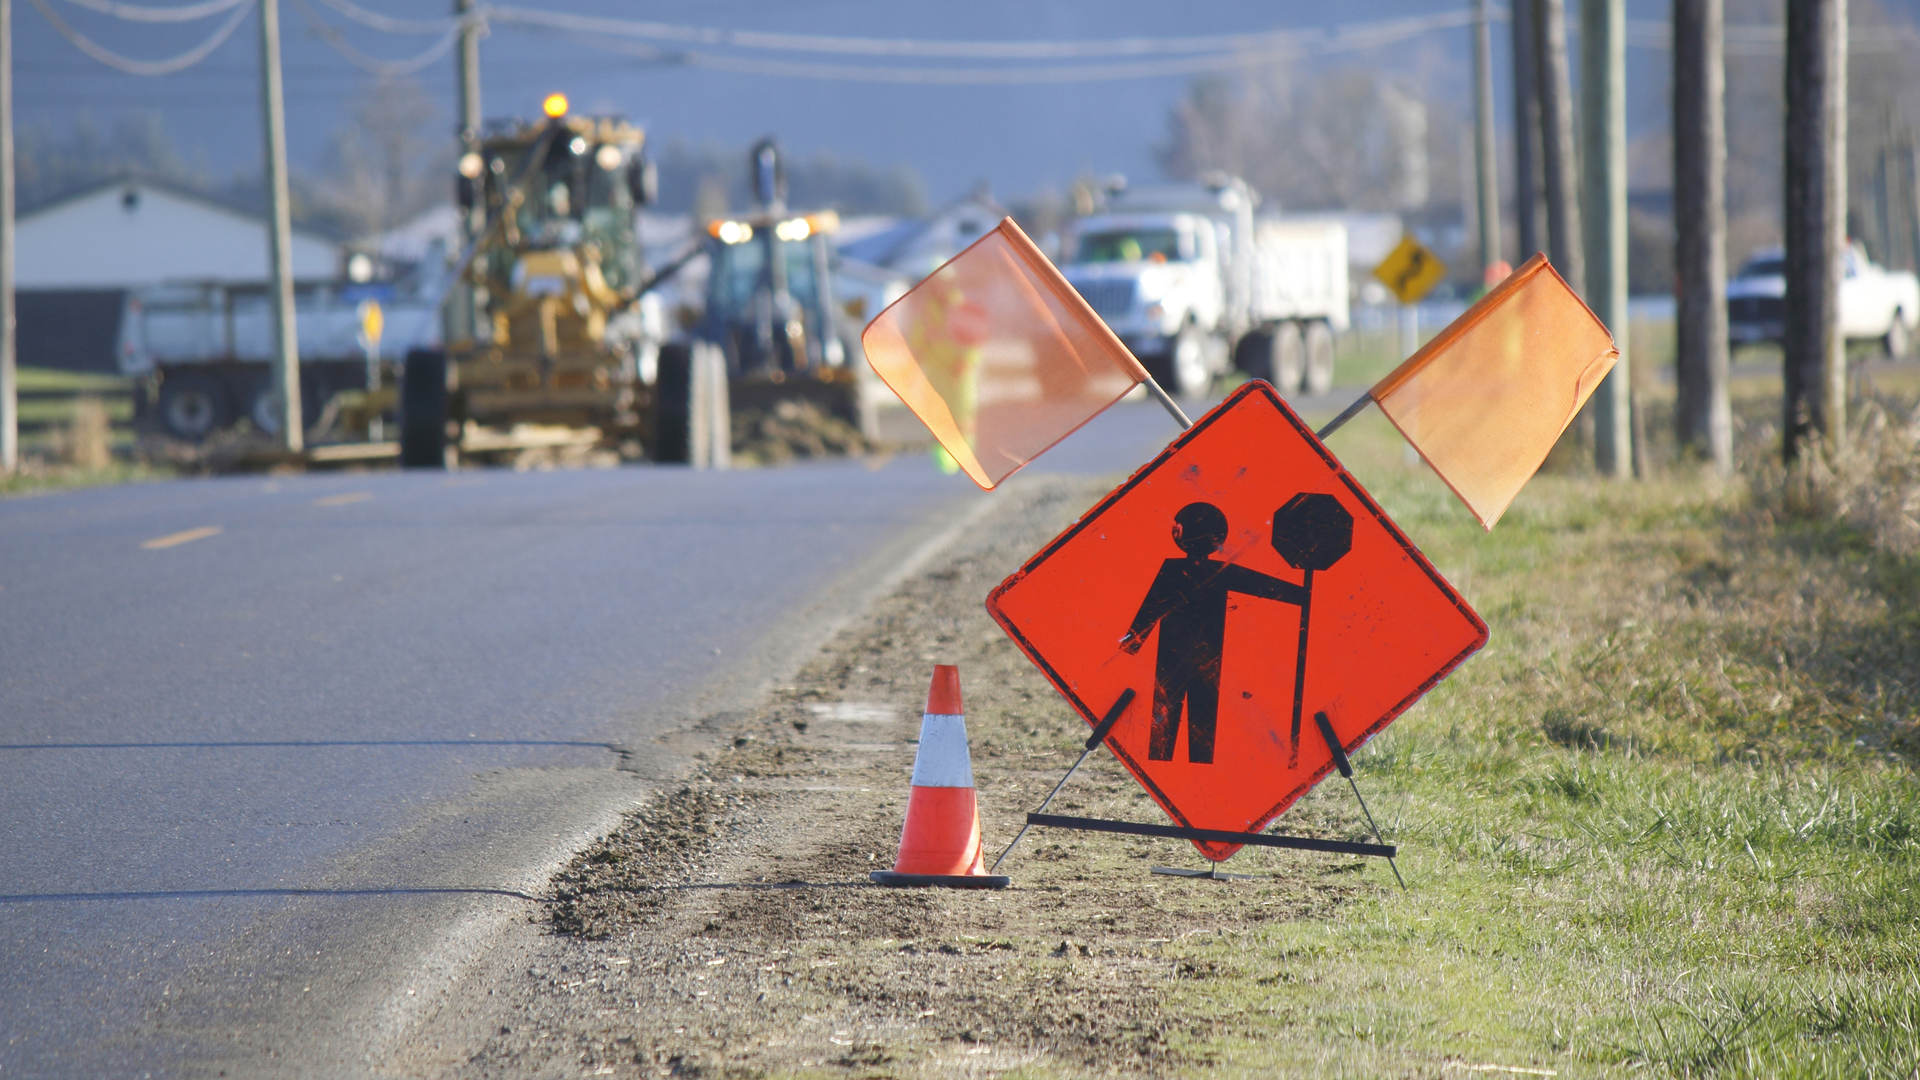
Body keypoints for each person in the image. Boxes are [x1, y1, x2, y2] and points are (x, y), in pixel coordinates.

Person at [1121, 502, 1306, 764]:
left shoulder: (1177, 570)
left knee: (1174, 719)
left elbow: (1149, 611)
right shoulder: (1215, 571)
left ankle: (1177, 766)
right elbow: (1261, 584)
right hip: (1200, 659)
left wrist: (1131, 643)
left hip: (1181, 660)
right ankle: (1188, 767)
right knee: (1194, 721)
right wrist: (1303, 595)